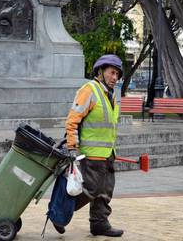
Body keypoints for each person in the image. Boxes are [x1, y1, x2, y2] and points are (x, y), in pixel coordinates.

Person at [54, 54, 124, 237]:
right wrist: (71, 146)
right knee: (90, 189)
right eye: (112, 73)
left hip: (108, 153)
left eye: (117, 74)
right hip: (91, 154)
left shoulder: (111, 95)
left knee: (105, 191)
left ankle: (100, 224)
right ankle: (58, 214)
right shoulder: (89, 90)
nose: (115, 78)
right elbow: (72, 120)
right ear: (100, 72)